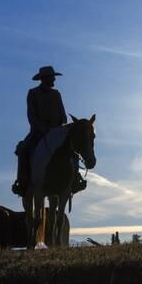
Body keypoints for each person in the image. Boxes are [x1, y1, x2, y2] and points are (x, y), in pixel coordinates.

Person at [12, 66, 86, 197]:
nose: (54, 80)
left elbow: (63, 116)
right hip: (37, 132)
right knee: (23, 150)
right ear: (44, 79)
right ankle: (22, 183)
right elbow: (31, 115)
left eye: (54, 77)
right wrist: (41, 128)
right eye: (52, 77)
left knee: (73, 151)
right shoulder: (33, 93)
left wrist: (58, 126)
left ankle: (75, 181)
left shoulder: (56, 94)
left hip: (55, 131)